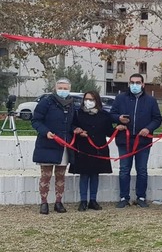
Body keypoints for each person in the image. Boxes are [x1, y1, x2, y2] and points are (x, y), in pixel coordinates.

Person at [110, 73, 162, 208]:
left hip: (143, 141)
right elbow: (111, 114)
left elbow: (157, 119)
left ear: (143, 84)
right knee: (124, 169)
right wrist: (118, 119)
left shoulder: (151, 100)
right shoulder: (120, 98)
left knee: (142, 170)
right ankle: (123, 197)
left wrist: (148, 128)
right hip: (124, 140)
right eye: (132, 82)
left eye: (138, 82)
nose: (135, 85)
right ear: (129, 84)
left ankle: (141, 197)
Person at [32, 78, 77, 215]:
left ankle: (58, 201)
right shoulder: (46, 102)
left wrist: (75, 129)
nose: (63, 90)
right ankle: (44, 202)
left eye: (65, 88)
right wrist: (46, 132)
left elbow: (73, 123)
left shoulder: (71, 104)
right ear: (55, 88)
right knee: (46, 175)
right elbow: (36, 121)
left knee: (60, 176)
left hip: (63, 145)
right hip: (47, 144)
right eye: (60, 88)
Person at [69, 90, 117, 211]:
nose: (88, 102)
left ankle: (93, 200)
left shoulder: (104, 115)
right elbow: (71, 126)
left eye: (91, 99)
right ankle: (83, 200)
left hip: (98, 148)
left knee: (95, 175)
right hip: (83, 148)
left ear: (97, 101)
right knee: (84, 175)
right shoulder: (78, 113)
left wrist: (118, 128)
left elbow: (109, 131)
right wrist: (77, 130)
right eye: (86, 99)